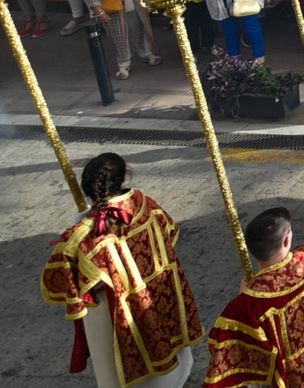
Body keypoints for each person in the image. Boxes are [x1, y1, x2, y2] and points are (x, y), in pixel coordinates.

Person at [40, 153, 203, 388]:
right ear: (124, 178)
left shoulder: (81, 237)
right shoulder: (146, 205)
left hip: (115, 313)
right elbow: (170, 232)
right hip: (157, 298)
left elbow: (57, 281)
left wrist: (80, 222)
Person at [204, 208, 304, 386]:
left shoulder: (247, 304)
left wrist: (244, 295)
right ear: (286, 240)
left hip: (293, 376)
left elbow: (226, 353)